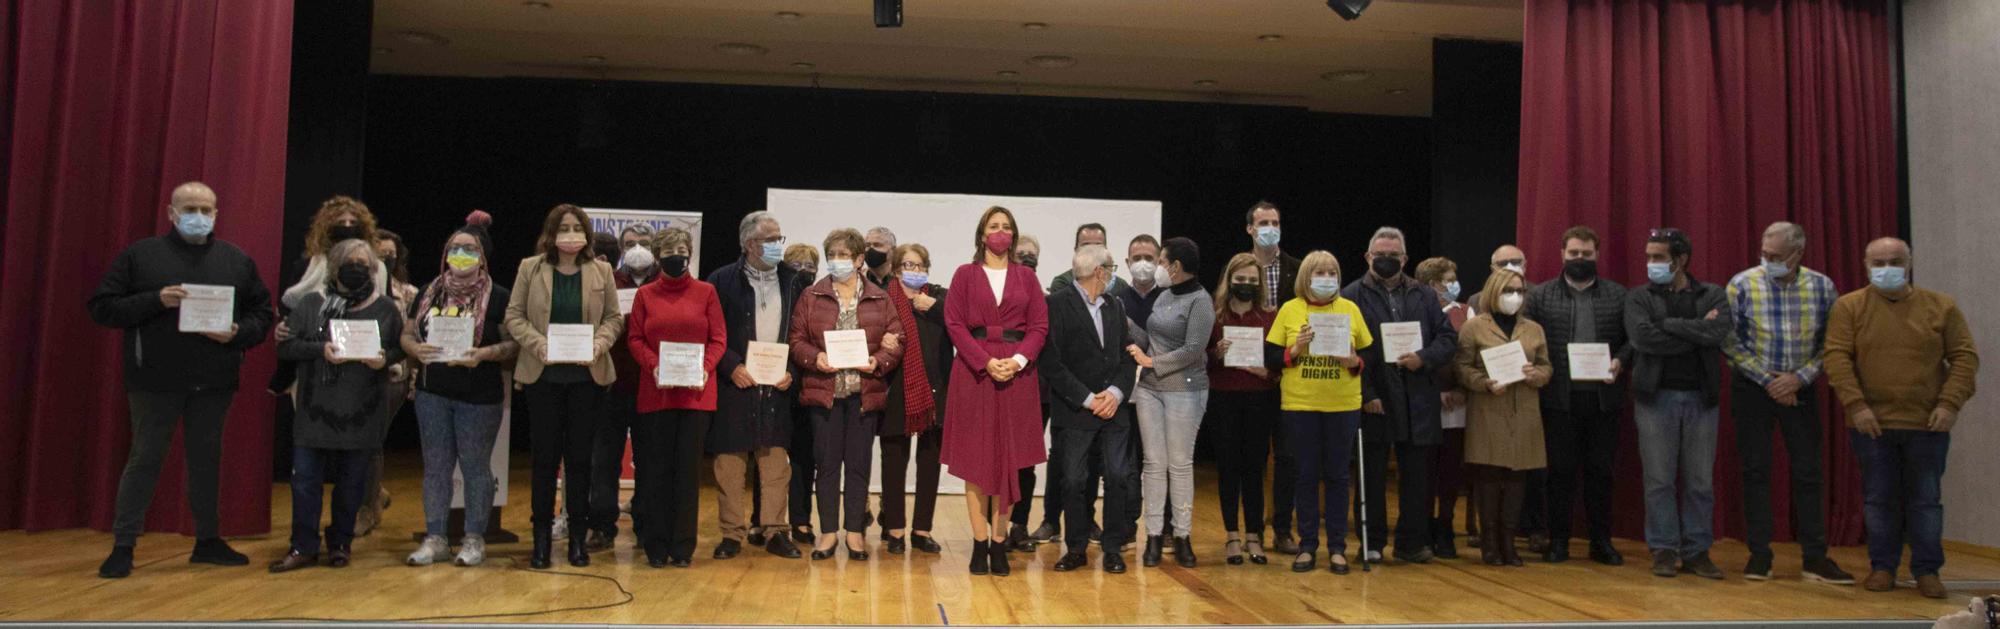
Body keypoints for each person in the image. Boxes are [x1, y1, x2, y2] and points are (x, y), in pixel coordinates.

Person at [90, 182, 273, 579]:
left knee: (207, 461)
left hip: (214, 378)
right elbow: (102, 307)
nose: (198, 215)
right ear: (171, 213)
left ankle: (207, 541)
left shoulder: (235, 260)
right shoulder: (141, 256)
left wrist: (238, 332)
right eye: (189, 208)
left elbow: (263, 314)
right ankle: (124, 544)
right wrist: (155, 300)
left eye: (206, 209)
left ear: (216, 214)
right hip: (155, 379)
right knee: (145, 458)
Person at [1826, 237, 1979, 599]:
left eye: (1894, 261)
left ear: (1909, 263)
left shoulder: (1941, 306)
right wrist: (1856, 406)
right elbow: (1836, 358)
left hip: (1928, 423)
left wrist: (1949, 404)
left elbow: (1964, 357)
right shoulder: (1849, 307)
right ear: (1865, 265)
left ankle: (1927, 570)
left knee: (1925, 501)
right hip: (1871, 424)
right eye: (1878, 263)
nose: (1886, 269)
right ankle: (1883, 567)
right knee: (1879, 500)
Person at [1722, 222, 1854, 584]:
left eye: (1776, 256)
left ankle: (1815, 558)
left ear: (1798, 254)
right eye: (1764, 254)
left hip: (1802, 387)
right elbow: (1729, 341)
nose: (1768, 261)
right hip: (1753, 388)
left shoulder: (1822, 286)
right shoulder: (1742, 283)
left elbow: (1833, 342)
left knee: (1809, 472)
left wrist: (1799, 378)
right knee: (1755, 471)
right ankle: (1759, 555)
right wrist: (1770, 381)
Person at [268, 239, 406, 572]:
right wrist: (320, 350)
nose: (356, 268)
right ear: (334, 267)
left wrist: (384, 359)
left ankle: (341, 543)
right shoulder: (311, 304)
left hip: (362, 409)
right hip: (316, 410)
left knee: (351, 485)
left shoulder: (386, 308)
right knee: (304, 483)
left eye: (363, 262)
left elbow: (398, 348)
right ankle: (302, 546)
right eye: (349, 262)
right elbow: (287, 349)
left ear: (373, 269)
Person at [503, 204, 625, 569]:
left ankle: (577, 540)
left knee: (580, 462)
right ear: (551, 233)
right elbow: (514, 315)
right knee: (544, 461)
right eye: (564, 228)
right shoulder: (530, 267)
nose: (571, 234)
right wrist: (537, 343)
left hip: (587, 379)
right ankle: (540, 540)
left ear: (587, 234)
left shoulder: (602, 270)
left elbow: (614, 319)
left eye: (577, 228)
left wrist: (600, 344)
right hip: (544, 378)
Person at [400, 215, 517, 567]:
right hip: (432, 393)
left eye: (469, 249)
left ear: (482, 257)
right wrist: (413, 349)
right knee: (436, 468)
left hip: (479, 398)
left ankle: (473, 539)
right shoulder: (427, 291)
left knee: (476, 468)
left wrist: (483, 354)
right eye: (454, 248)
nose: (460, 253)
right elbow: (406, 334)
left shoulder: (499, 297)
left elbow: (514, 345)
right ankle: (435, 537)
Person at [941, 206, 1050, 577]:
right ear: (981, 234)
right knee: (975, 460)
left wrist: (1018, 361)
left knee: (1010, 460)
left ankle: (1000, 543)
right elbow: (954, 324)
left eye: (1006, 227)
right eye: (993, 226)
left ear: (1013, 236)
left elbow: (1039, 326)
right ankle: (979, 541)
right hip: (974, 374)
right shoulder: (965, 274)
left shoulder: (1028, 279)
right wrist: (984, 361)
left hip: (1018, 377)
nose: (1000, 232)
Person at [1344, 227, 1459, 565]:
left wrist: (1424, 357)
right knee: (1371, 476)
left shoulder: (1424, 295)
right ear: (1367, 256)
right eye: (1380, 254)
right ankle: (1372, 543)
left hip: (1417, 396)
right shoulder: (1351, 296)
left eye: (1393, 255)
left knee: (1416, 479)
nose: (1386, 259)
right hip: (1375, 396)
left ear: (1405, 258)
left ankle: (1410, 543)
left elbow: (1448, 339)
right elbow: (1346, 348)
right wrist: (1366, 392)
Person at [1623, 227, 1732, 580]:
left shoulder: (1712, 294)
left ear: (1681, 259)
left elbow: (1717, 334)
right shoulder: (1639, 297)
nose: (1651, 263)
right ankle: (1664, 549)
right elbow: (1643, 338)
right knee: (1659, 480)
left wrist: (1668, 325)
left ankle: (1698, 551)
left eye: (1658, 257)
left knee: (1700, 480)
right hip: (1656, 398)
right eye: (1649, 256)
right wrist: (1694, 331)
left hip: (1702, 398)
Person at [790, 228, 904, 561]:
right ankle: (828, 533)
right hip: (824, 393)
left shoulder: (880, 298)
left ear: (858, 259)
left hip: (863, 394)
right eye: (832, 255)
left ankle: (854, 533)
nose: (837, 261)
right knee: (825, 466)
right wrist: (815, 358)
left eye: (844, 255)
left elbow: (897, 340)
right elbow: (796, 340)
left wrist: (878, 361)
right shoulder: (811, 296)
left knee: (858, 466)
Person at [1522, 226, 1629, 566]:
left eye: (1586, 254)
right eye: (1574, 254)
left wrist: (1621, 360)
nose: (1580, 259)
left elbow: (1633, 340)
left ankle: (1601, 542)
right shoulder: (1540, 296)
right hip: (1558, 400)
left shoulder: (1619, 295)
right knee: (1560, 474)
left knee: (1601, 473)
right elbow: (1528, 342)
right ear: (1562, 254)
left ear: (1597, 254)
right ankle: (1559, 542)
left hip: (1604, 399)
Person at [705, 212, 807, 560]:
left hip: (777, 386)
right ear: (750, 244)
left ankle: (775, 531)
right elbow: (710, 333)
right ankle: (732, 534)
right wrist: (731, 366)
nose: (780, 245)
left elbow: (802, 334)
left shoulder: (795, 281)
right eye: (772, 239)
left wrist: (792, 369)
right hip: (735, 384)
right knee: (730, 464)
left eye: (780, 238)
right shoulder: (720, 281)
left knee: (776, 462)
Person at [625, 227, 727, 568]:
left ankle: (683, 546)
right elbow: (636, 339)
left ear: (690, 253)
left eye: (683, 248)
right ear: (658, 255)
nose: (677, 254)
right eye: (670, 249)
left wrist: (704, 368)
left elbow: (718, 340)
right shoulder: (646, 295)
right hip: (656, 394)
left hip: (696, 396)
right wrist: (654, 366)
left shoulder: (707, 292)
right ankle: (655, 545)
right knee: (655, 472)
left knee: (687, 474)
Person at [1265, 250, 1370, 574]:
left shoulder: (1350, 309)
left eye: (1332, 273)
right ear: (1306, 277)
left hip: (1342, 405)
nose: (1326, 279)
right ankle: (1307, 545)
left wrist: (1352, 361)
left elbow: (1368, 357)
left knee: (1338, 476)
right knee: (1306, 476)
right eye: (1319, 273)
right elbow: (1271, 357)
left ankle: (1337, 547)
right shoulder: (1290, 309)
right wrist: (1295, 349)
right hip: (1301, 405)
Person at [270, 197, 388, 482]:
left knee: (358, 447)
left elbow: (386, 312)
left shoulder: (378, 268)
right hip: (314, 364)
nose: (347, 227)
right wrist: (284, 329)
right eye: (340, 223)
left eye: (353, 223)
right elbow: (289, 307)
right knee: (312, 442)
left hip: (360, 367)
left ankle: (358, 508)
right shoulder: (309, 265)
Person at [1041, 245, 1140, 574]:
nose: (1113, 274)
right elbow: (1052, 362)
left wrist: (1114, 393)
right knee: (1073, 480)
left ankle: (1112, 548)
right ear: (1100, 272)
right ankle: (1076, 548)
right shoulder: (1056, 304)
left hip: (1114, 409)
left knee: (1117, 476)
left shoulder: (1115, 304)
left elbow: (1127, 356)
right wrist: (1087, 398)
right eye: (1111, 268)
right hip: (1076, 410)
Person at [1125, 237, 1213, 569]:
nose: (1158, 267)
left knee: (1179, 464)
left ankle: (1182, 535)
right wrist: (1127, 325)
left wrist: (1151, 363)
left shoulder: (1200, 301)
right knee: (1153, 464)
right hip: (1150, 389)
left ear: (1175, 267)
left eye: (1161, 261)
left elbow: (1193, 350)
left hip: (1185, 390)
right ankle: (1153, 536)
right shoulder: (1163, 297)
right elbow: (1151, 341)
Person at [1454, 268, 1551, 568]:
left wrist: (1537, 374)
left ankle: (1509, 542)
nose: (1515, 296)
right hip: (1489, 409)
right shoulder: (1473, 327)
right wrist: (1483, 383)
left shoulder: (1533, 329)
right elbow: (1462, 367)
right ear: (1494, 291)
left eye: (1520, 291)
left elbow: (1547, 366)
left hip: (1524, 410)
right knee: (1489, 477)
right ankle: (1489, 542)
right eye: (1509, 290)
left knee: (1517, 478)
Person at [586, 222, 660, 551]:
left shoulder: (665, 283)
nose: (637, 248)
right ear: (621, 248)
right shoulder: (607, 282)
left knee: (649, 459)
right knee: (604, 459)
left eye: (644, 242)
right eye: (630, 243)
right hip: (610, 384)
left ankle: (645, 523)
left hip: (653, 386)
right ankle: (602, 524)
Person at [878, 242, 954, 555]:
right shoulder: (883, 299)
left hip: (936, 390)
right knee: (893, 462)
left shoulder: (940, 295)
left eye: (920, 265)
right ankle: (894, 529)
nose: (914, 271)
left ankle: (922, 530)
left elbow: (962, 322)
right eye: (908, 265)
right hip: (895, 391)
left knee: (930, 463)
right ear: (896, 270)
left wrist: (932, 306)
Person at [1206, 253, 1278, 566]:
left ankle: (1254, 535)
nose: (1246, 285)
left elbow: (1279, 361)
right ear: (1229, 280)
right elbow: (1201, 357)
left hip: (1260, 398)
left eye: (1252, 280)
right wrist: (1214, 353)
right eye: (1240, 279)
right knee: (1228, 467)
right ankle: (1232, 534)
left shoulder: (1270, 316)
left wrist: (1269, 373)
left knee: (1254, 468)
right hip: (1223, 397)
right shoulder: (1214, 314)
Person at [1241, 201, 1302, 554]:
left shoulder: (1297, 269)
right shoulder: (1239, 267)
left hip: (1290, 374)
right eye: (1263, 222)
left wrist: (1280, 366)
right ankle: (1252, 532)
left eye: (1275, 222)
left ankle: (1282, 528)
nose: (1270, 227)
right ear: (1250, 228)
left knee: (1288, 457)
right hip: (1250, 375)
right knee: (1251, 456)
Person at [357, 228, 418, 538]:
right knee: (358, 443)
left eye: (391, 256)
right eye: (380, 255)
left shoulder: (407, 293)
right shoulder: (352, 288)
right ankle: (374, 492)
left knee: (372, 441)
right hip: (352, 376)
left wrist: (414, 382)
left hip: (393, 375)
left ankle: (368, 509)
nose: (385, 261)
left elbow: (413, 339)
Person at [1415, 256, 1473, 558]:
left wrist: (1461, 387)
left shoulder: (1467, 312)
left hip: (1457, 403)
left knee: (1450, 470)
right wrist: (1433, 391)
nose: (1453, 285)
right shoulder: (1416, 311)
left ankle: (1446, 526)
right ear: (1430, 284)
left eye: (1454, 279)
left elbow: (1471, 355)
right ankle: (1422, 528)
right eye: (1447, 280)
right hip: (1425, 402)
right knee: (1424, 470)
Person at [781, 240, 820, 544]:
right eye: (797, 266)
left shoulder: (817, 299)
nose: (804, 272)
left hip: (809, 386)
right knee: (769, 456)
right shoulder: (776, 296)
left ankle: (801, 519)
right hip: (777, 384)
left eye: (810, 267)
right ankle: (762, 519)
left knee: (805, 458)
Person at [1046, 223, 1126, 296]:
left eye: (1098, 245)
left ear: (1105, 249)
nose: (1092, 251)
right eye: (1086, 245)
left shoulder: (1120, 286)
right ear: (1076, 250)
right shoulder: (1063, 283)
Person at [1118, 234, 1167, 328]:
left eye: (1149, 258)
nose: (1142, 263)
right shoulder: (1117, 301)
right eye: (1136, 258)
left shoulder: (1170, 298)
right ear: (1128, 262)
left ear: (1159, 262)